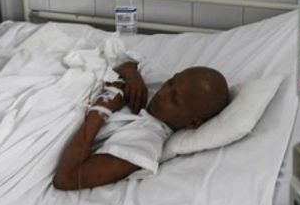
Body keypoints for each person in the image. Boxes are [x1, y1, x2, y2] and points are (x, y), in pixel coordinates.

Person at [52, 62, 229, 190]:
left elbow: (66, 179)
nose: (163, 93)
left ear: (192, 122)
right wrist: (131, 74)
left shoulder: (144, 142)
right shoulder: (157, 84)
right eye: (170, 82)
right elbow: (127, 64)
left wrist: (101, 110)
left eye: (174, 99)